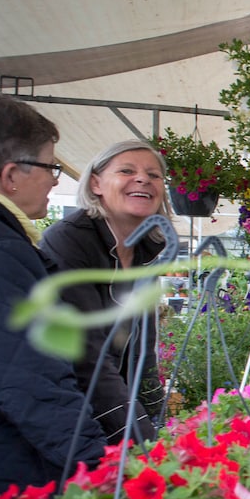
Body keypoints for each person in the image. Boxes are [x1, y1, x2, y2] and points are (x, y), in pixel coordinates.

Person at [0, 90, 107, 499]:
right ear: (11, 175)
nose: (55, 178)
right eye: (50, 166)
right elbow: (31, 382)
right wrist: (104, 472)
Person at [41, 140, 167, 445]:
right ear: (96, 183)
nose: (143, 179)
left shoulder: (145, 249)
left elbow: (143, 351)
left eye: (154, 175)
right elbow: (86, 355)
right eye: (127, 170)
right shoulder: (69, 240)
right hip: (70, 414)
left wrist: (159, 420)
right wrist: (140, 437)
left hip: (111, 408)